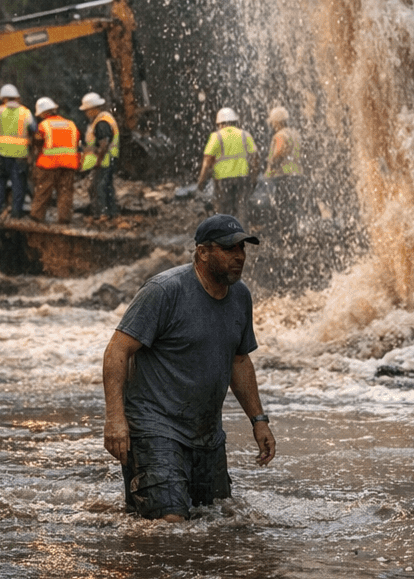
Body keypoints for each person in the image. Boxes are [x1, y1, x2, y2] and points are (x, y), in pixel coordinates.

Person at [101, 214, 276, 522]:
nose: (239, 257)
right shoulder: (164, 291)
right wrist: (115, 418)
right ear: (203, 252)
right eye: (229, 249)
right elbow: (118, 350)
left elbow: (239, 360)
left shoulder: (240, 296)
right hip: (155, 425)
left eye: (243, 249)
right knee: (170, 525)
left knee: (215, 520)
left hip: (206, 433)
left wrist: (258, 420)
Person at [196, 107, 257, 217]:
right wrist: (254, 178)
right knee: (242, 210)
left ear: (219, 123)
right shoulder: (245, 135)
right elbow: (255, 158)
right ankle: (242, 232)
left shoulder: (216, 136)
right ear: (234, 122)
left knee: (224, 212)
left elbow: (207, 163)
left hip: (223, 180)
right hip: (243, 178)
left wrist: (201, 183)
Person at [0, 83, 34, 218]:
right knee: (19, 184)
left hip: (1, 153)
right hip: (20, 155)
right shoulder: (26, 112)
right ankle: (16, 212)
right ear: (17, 98)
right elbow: (34, 128)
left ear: (3, 98)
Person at [30, 96, 80, 224]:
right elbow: (77, 141)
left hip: (49, 164)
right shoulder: (71, 124)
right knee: (65, 191)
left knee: (44, 190)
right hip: (69, 163)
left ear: (44, 112)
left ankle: (37, 216)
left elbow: (37, 142)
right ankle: (64, 218)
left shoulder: (43, 125)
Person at [78, 92, 119, 219]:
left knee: (98, 187)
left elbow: (104, 145)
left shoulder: (101, 123)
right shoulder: (104, 119)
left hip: (104, 160)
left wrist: (98, 160)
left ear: (93, 108)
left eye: (87, 110)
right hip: (108, 159)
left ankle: (102, 213)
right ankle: (111, 212)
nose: (86, 113)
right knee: (106, 186)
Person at [262, 105, 302, 218]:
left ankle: (285, 231)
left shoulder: (281, 135)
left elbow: (279, 152)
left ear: (277, 122)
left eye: (273, 122)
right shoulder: (295, 134)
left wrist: (272, 165)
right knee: (293, 206)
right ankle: (293, 231)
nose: (272, 125)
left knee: (283, 207)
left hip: (283, 176)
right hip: (296, 173)